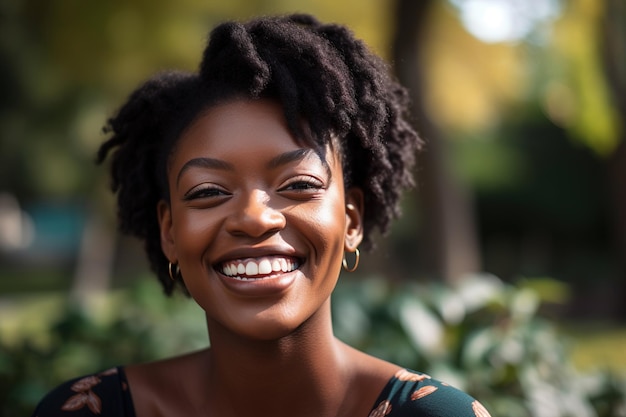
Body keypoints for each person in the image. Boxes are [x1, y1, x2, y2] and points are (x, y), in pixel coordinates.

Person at [32, 13, 491, 417]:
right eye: (209, 191)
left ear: (351, 219)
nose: (254, 218)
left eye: (298, 185)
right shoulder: (86, 411)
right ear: (169, 230)